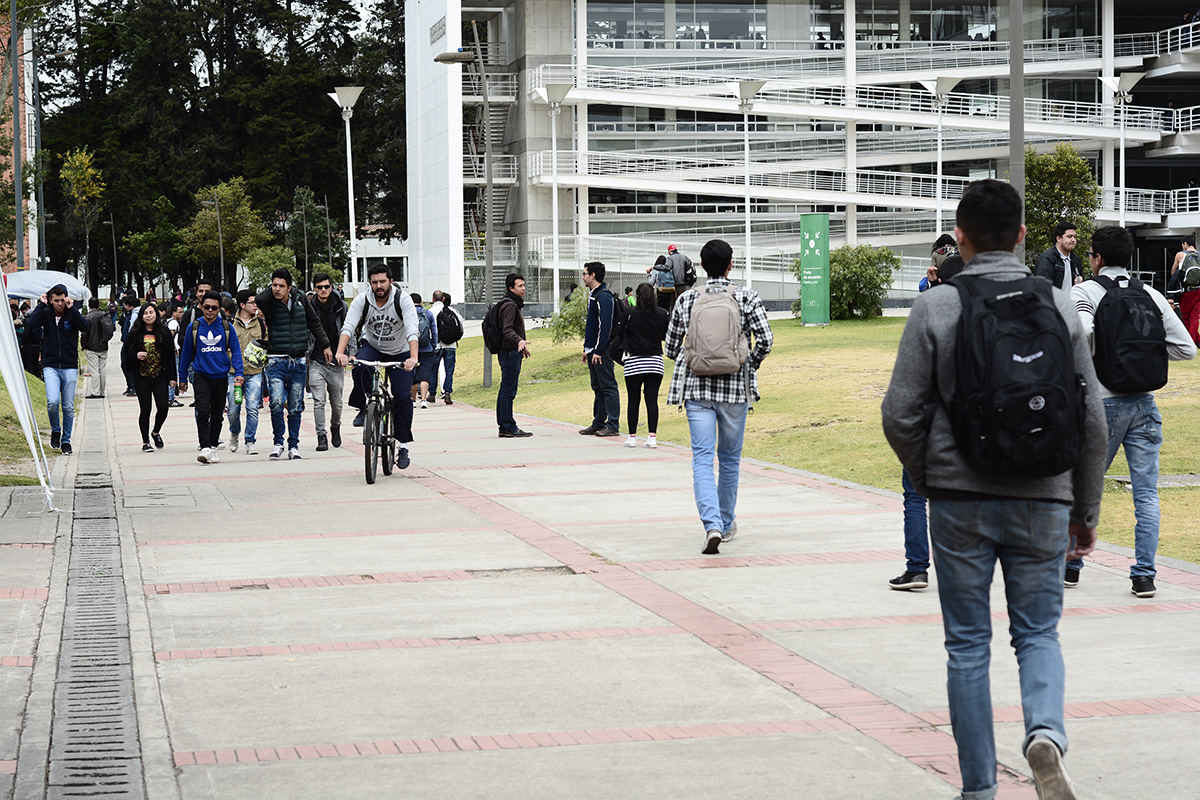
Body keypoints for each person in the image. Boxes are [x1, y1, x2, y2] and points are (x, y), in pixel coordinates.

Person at [882, 179, 1107, 800]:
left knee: (967, 645)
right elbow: (1091, 420)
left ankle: (979, 788)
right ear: (1023, 235)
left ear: (960, 239)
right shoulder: (1061, 308)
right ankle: (1045, 734)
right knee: (1037, 633)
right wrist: (1083, 508)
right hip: (1044, 496)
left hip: (959, 500)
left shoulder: (937, 306)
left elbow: (899, 414)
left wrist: (932, 480)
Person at [1065, 226, 1196, 597]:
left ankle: (1071, 565)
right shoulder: (1151, 294)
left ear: (1097, 258)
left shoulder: (1084, 291)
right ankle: (1143, 575)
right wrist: (1145, 353)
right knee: (1146, 494)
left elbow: (1081, 330)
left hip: (1102, 406)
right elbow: (1186, 349)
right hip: (1145, 405)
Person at [665, 239, 773, 555]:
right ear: (730, 265)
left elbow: (671, 348)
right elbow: (765, 340)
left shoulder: (686, 300)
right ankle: (725, 525)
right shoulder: (746, 297)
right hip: (735, 391)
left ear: (701, 266)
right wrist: (745, 365)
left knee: (701, 457)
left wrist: (696, 358)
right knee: (728, 459)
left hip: (697, 391)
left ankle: (711, 525)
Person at [336, 263, 419, 470]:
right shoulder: (362, 300)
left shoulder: (402, 299)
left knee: (402, 397)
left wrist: (413, 357)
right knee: (360, 367)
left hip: (400, 351)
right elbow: (348, 326)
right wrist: (340, 352)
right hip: (373, 346)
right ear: (370, 283)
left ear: (390, 281)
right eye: (374, 282)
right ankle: (364, 407)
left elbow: (412, 329)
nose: (379, 286)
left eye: (382, 281)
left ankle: (403, 445)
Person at [256, 268, 332, 460]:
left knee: (296, 406)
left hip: (298, 361)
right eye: (274, 285)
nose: (276, 289)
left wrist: (326, 346)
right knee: (275, 403)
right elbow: (259, 300)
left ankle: (294, 445)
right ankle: (278, 442)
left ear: (289, 287)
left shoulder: (300, 300)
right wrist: (272, 287)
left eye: (281, 286)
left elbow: (314, 323)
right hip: (275, 361)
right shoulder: (269, 302)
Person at [178, 291, 244, 464]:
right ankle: (205, 446)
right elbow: (185, 355)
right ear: (201, 306)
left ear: (219, 309)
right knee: (202, 411)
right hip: (201, 375)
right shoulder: (194, 327)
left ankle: (213, 447)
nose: (210, 310)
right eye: (206, 307)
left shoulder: (226, 327)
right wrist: (182, 378)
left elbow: (236, 352)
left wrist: (239, 373)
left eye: (214, 308)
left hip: (221, 376)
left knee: (217, 415)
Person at [25, 285, 90, 456]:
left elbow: (85, 327)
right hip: (50, 364)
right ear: (51, 300)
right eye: (56, 301)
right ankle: (56, 429)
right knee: (53, 401)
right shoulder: (46, 313)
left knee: (68, 406)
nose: (59, 304)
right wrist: (41, 304)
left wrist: (73, 308)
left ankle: (66, 441)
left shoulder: (71, 313)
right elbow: (31, 324)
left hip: (69, 365)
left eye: (62, 300)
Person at [121, 302, 177, 452]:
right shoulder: (135, 332)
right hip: (142, 376)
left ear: (157, 314)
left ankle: (156, 432)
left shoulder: (164, 332)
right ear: (141, 316)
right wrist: (136, 355)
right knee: (145, 409)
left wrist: (173, 377)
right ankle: (145, 441)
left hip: (160, 375)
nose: (148, 316)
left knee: (163, 407)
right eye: (145, 313)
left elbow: (170, 356)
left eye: (151, 312)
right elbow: (126, 354)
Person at [620, 283, 669, 449]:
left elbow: (620, 333)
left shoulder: (630, 313)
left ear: (638, 296)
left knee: (633, 400)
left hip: (634, 362)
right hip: (655, 361)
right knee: (652, 400)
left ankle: (632, 437)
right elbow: (664, 335)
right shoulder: (662, 314)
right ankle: (652, 437)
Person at [579, 262, 621, 437]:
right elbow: (592, 326)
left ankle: (612, 424)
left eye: (585, 273)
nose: (583, 276)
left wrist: (597, 349)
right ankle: (598, 422)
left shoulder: (604, 296)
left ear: (593, 275)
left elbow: (605, 326)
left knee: (608, 386)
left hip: (601, 351)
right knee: (597, 387)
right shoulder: (594, 294)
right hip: (592, 350)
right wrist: (586, 348)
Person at [308, 273, 347, 450]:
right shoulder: (309, 307)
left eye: (326, 286)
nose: (323, 290)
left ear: (331, 287)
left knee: (337, 402)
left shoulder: (340, 306)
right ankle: (321, 436)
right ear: (314, 289)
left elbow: (349, 329)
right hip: (316, 360)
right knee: (318, 400)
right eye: (319, 287)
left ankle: (335, 426)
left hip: (337, 362)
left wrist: (350, 353)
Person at [227, 290, 266, 455]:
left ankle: (250, 440)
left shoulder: (261, 324)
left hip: (255, 373)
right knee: (234, 409)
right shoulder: (229, 324)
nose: (256, 305)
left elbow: (267, 344)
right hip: (234, 374)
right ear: (242, 304)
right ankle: (234, 432)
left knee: (252, 408)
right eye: (252, 302)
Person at [495, 273, 532, 438]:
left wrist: (521, 346)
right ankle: (508, 426)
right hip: (509, 353)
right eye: (520, 286)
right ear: (511, 288)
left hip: (511, 351)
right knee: (508, 390)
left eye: (524, 285)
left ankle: (504, 426)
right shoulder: (510, 305)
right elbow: (507, 329)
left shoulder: (510, 303)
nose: (523, 289)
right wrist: (519, 341)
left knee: (505, 389)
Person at [429, 290, 465, 405]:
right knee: (449, 371)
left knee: (433, 371)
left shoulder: (430, 312)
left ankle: (432, 394)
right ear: (443, 299)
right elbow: (460, 320)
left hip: (436, 346)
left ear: (433, 299)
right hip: (451, 345)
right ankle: (447, 393)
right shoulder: (451, 310)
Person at [409, 292, 438, 409]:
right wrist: (433, 344)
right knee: (425, 375)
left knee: (413, 376)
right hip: (427, 349)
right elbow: (434, 331)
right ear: (421, 302)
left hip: (411, 348)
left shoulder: (408, 313)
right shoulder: (428, 313)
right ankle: (424, 400)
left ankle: (413, 400)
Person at [1033, 221, 1083, 291]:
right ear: (1059, 238)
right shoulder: (1047, 259)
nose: (1073, 240)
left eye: (1075, 237)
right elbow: (1043, 289)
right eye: (1069, 237)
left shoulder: (1075, 259)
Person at [82, 297, 115, 398]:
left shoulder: (88, 317)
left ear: (89, 305)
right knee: (102, 369)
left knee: (94, 370)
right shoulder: (104, 315)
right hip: (103, 345)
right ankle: (102, 391)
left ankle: (96, 392)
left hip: (92, 346)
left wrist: (83, 345)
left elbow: (84, 333)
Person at [1169, 235, 1199, 343]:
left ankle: (1190, 341)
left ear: (1185, 244)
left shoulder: (1180, 255)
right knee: (1195, 317)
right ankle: (1197, 340)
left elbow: (1173, 272)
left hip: (1186, 291)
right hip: (1199, 290)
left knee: (1186, 317)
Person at [119, 295, 140, 396]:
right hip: (128, 342)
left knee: (126, 364)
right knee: (125, 364)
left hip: (130, 343)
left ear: (130, 306)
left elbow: (131, 330)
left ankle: (133, 386)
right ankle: (131, 386)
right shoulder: (130, 313)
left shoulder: (135, 314)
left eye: (124, 305)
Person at [166, 303, 185, 406]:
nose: (182, 314)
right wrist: (173, 349)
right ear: (174, 313)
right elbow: (170, 337)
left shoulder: (170, 322)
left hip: (173, 351)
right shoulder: (173, 323)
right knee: (174, 374)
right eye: (180, 312)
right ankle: (170, 398)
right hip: (174, 352)